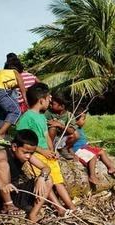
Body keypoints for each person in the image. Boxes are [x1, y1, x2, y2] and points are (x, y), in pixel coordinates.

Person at [16, 83, 77, 216]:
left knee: (58, 181)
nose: (50, 101)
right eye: (49, 98)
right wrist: (42, 151)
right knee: (47, 183)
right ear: (41, 100)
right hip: (37, 155)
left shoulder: (42, 117)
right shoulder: (26, 117)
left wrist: (52, 150)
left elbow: (46, 137)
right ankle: (59, 208)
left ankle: (71, 206)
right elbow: (22, 139)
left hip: (48, 154)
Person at [0, 129, 53, 221]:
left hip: (14, 192)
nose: (28, 156)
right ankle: (8, 205)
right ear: (14, 147)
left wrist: (42, 178)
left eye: (31, 153)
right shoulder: (3, 154)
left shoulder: (26, 155)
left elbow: (45, 167)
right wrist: (2, 185)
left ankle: (33, 215)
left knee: (48, 179)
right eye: (25, 152)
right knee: (2, 165)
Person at [71, 110, 115, 184]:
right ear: (75, 120)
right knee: (92, 156)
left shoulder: (80, 129)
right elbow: (68, 144)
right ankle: (92, 176)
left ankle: (111, 167)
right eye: (83, 119)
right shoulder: (72, 130)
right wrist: (73, 154)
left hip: (85, 147)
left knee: (101, 151)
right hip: (78, 150)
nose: (85, 121)